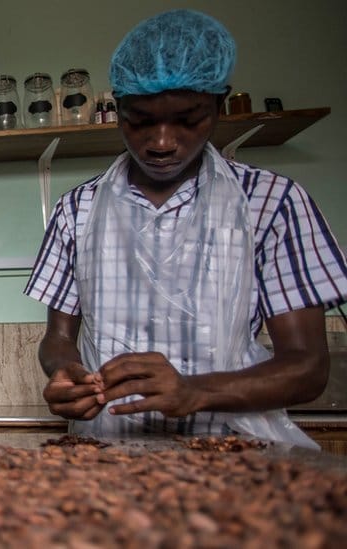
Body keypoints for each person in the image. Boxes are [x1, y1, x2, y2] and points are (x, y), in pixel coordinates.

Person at [24, 10, 347, 449]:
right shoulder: (76, 210)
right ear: (116, 109)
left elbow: (308, 367)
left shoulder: (272, 204)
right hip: (105, 456)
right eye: (140, 120)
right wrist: (66, 373)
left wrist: (195, 392)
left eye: (188, 118)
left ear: (219, 104)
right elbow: (58, 338)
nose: (161, 141)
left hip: (229, 449)